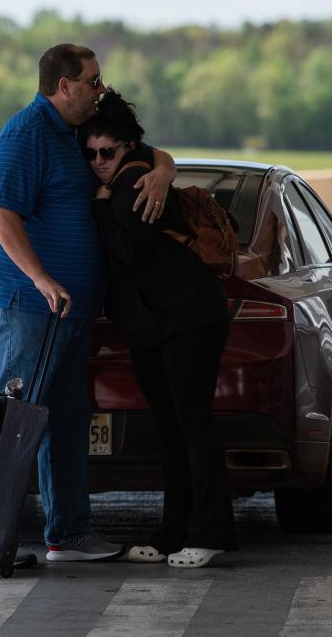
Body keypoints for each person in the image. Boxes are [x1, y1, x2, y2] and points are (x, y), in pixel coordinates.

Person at [0, 44, 177, 563]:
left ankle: (69, 534)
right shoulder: (26, 132)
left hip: (72, 309)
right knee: (16, 420)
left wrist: (163, 171)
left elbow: (143, 146)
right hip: (29, 304)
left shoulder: (79, 134)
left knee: (66, 419)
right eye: (92, 80)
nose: (99, 89)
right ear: (64, 86)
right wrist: (41, 277)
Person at [84, 89, 238, 569]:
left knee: (192, 424)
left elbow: (130, 249)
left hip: (187, 318)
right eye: (89, 154)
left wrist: (102, 205)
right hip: (158, 323)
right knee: (172, 429)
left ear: (126, 148)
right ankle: (173, 534)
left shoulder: (133, 184)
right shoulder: (145, 168)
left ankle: (210, 533)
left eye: (106, 152)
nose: (97, 163)